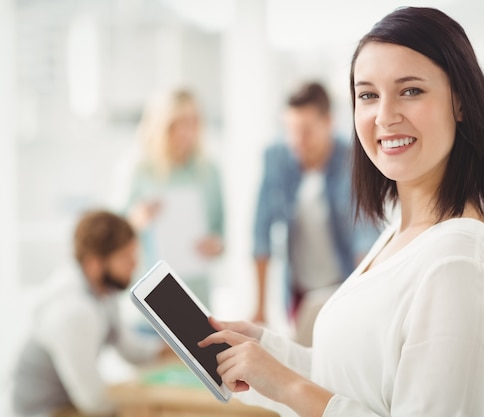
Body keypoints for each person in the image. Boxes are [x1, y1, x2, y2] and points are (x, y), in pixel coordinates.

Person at [198, 6, 484, 417]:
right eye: (368, 95)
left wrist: (287, 384)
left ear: (461, 102)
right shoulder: (401, 236)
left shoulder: (456, 262)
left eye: (411, 90)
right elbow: (351, 380)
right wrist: (263, 350)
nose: (384, 116)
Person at [251, 81, 379, 343]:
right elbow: (260, 232)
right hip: (299, 291)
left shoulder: (352, 160)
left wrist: (364, 297)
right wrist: (260, 306)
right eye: (290, 130)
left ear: (328, 121)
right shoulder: (276, 157)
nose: (297, 140)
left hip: (343, 284)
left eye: (306, 131)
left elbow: (364, 233)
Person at [11, 210, 169, 417]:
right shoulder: (73, 311)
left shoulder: (103, 291)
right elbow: (93, 402)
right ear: (94, 263)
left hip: (70, 404)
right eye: (125, 257)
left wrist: (171, 350)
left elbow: (128, 349)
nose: (134, 264)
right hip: (47, 411)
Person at [120, 88, 225, 308]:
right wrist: (138, 219)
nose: (186, 132)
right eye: (178, 123)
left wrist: (215, 246)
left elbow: (220, 234)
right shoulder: (140, 170)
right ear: (162, 125)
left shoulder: (208, 172)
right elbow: (117, 231)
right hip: (151, 290)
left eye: (192, 122)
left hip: (196, 292)